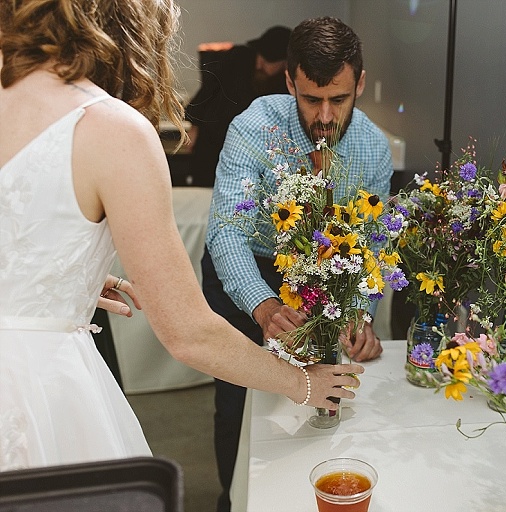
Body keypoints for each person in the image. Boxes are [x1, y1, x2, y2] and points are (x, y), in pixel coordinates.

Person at [0, 0, 362, 472]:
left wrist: (46, 281)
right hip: (35, 392)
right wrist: (305, 384)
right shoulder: (112, 129)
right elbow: (190, 334)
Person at [203, 16, 393, 512]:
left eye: (339, 99)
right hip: (249, 271)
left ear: (360, 84)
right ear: (290, 82)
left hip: (326, 273)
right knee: (241, 396)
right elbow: (226, 231)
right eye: (311, 99)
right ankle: (236, 499)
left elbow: (370, 244)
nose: (325, 116)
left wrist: (361, 314)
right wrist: (264, 306)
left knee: (324, 391)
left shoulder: (373, 148)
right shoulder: (252, 128)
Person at [184, 26, 291, 187]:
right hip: (213, 134)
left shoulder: (282, 82)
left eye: (267, 62)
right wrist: (194, 127)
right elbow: (208, 89)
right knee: (204, 184)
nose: (260, 66)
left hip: (249, 145)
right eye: (260, 58)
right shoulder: (238, 57)